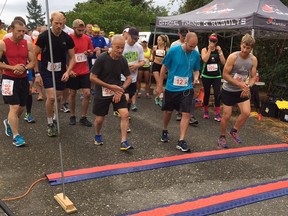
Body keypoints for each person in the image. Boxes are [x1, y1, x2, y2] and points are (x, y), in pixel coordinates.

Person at [157, 32, 200, 152]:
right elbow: (164, 67)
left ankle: (181, 140)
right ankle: (165, 130)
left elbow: (196, 69)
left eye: (194, 46)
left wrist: (196, 78)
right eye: (190, 46)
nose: (192, 49)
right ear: (185, 41)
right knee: (168, 112)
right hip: (172, 88)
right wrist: (160, 85)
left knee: (186, 113)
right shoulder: (174, 50)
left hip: (186, 88)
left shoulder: (195, 54)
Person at [34, 12, 75, 137]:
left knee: (58, 98)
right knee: (51, 97)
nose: (58, 26)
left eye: (61, 23)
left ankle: (56, 118)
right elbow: (34, 55)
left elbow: (73, 58)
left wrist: (68, 72)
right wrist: (37, 74)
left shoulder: (67, 38)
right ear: (51, 21)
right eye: (56, 23)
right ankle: (50, 122)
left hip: (60, 71)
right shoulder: (44, 36)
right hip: (46, 70)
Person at [90, 34, 133, 151]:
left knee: (125, 114)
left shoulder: (122, 60)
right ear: (111, 46)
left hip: (117, 92)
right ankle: (98, 134)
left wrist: (121, 89)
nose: (120, 50)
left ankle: (123, 141)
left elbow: (129, 78)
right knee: (100, 119)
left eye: (122, 47)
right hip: (103, 91)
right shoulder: (102, 59)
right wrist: (110, 87)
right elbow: (93, 77)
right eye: (117, 47)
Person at [218, 34, 258, 148]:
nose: (245, 50)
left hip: (242, 90)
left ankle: (234, 131)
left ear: (251, 49)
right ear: (241, 45)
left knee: (246, 112)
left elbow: (253, 77)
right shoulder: (233, 57)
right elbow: (225, 75)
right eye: (244, 47)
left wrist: (248, 86)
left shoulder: (253, 60)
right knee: (227, 115)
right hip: (229, 90)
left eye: (248, 48)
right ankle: (222, 137)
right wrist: (240, 84)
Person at [0, 20, 36, 146]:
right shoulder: (3, 44)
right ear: (11, 30)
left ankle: (9, 122)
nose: (21, 33)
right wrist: (12, 67)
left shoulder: (28, 44)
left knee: (21, 106)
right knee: (14, 107)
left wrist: (25, 68)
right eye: (18, 31)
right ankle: (16, 136)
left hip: (23, 78)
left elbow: (32, 62)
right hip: (8, 79)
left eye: (23, 31)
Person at [67, 19, 94, 127]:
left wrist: (89, 53)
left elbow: (91, 52)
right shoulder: (69, 38)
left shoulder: (87, 38)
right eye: (79, 29)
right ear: (74, 28)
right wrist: (69, 69)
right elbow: (64, 55)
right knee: (72, 94)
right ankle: (72, 115)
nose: (81, 31)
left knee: (87, 93)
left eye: (83, 30)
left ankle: (83, 117)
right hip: (73, 71)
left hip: (84, 71)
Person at [171, 27, 199, 125]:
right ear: (179, 34)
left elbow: (196, 60)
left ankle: (189, 115)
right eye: (182, 35)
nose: (183, 37)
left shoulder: (194, 45)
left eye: (185, 35)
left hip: (188, 74)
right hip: (176, 75)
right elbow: (169, 62)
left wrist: (196, 77)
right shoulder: (174, 45)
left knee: (190, 95)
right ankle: (179, 112)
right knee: (179, 95)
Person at [201, 33, 226, 122]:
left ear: (216, 42)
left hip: (216, 75)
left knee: (217, 94)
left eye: (214, 41)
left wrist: (220, 52)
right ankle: (206, 111)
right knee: (207, 93)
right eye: (211, 40)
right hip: (206, 75)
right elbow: (204, 59)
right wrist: (209, 50)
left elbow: (223, 62)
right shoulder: (204, 49)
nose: (212, 42)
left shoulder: (218, 50)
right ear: (208, 40)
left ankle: (217, 113)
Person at [152, 34, 170, 107]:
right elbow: (152, 55)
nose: (157, 41)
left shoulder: (167, 49)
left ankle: (158, 96)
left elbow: (168, 58)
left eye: (159, 40)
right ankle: (161, 97)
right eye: (157, 40)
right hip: (156, 66)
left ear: (163, 41)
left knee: (161, 83)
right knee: (158, 82)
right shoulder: (155, 47)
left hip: (163, 66)